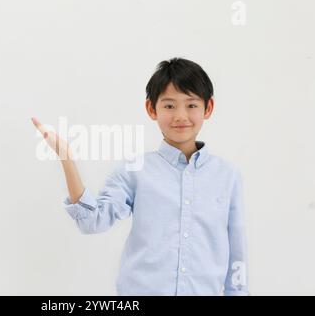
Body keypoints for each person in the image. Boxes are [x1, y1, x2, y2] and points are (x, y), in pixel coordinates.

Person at [31, 57, 248, 296]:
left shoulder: (227, 176)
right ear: (151, 109)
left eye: (191, 105)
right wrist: (66, 158)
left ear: (208, 108)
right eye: (169, 105)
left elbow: (236, 253)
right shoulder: (134, 170)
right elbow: (93, 221)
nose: (180, 115)